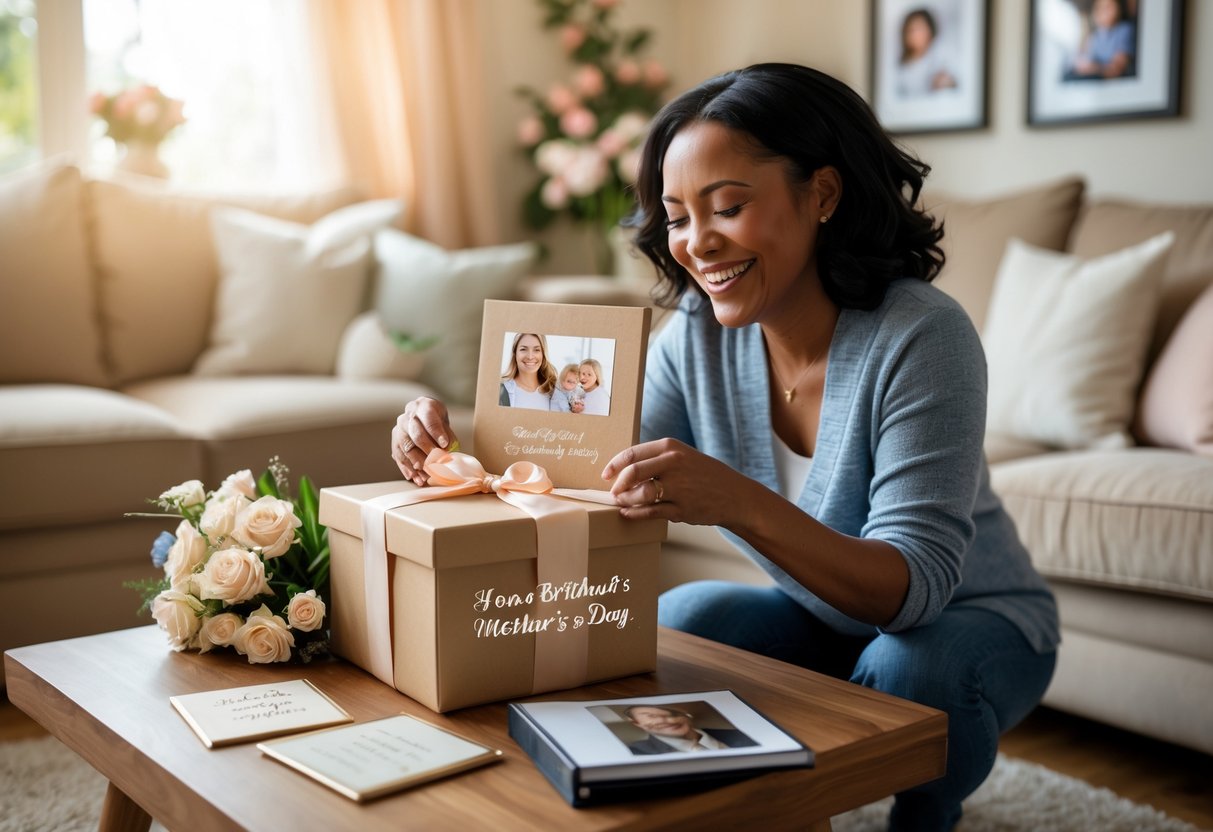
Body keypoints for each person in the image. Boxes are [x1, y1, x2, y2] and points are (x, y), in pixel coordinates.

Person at [390, 63, 1059, 832]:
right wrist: (448, 453)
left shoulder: (922, 336)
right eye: (675, 217)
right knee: (683, 618)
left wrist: (737, 503)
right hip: (823, 617)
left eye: (728, 207)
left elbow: (911, 591)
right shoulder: (697, 341)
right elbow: (577, 472)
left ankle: (925, 814)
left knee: (913, 664)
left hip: (974, 622)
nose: (695, 243)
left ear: (823, 195)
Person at [622, 704, 757, 755]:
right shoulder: (636, 752)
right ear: (636, 723)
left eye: (673, 713)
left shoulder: (739, 735)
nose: (668, 720)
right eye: (652, 716)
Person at [895, 8, 958, 98]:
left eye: (919, 29)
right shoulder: (901, 65)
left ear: (930, 30)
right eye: (911, 30)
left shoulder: (942, 55)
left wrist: (946, 82)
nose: (915, 35)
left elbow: (954, 84)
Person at [1069, 0, 1136, 80]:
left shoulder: (1124, 30)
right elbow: (1084, 63)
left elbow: (1116, 69)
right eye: (1098, 8)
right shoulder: (1094, 37)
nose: (1102, 11)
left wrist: (1094, 68)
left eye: (1108, 7)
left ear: (1118, 8)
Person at [498, 332, 556, 411]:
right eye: (523, 349)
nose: (530, 356)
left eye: (536, 350)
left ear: (543, 354)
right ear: (515, 353)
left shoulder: (553, 391)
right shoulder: (501, 390)